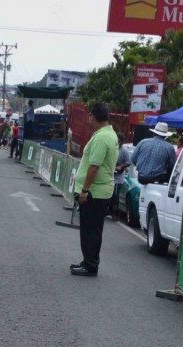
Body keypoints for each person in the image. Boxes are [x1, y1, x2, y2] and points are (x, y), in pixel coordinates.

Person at [70, 103, 118, 277]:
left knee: (91, 230)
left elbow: (94, 167)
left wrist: (84, 190)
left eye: (90, 115)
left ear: (94, 116)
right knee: (89, 229)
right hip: (99, 191)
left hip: (95, 192)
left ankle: (90, 265)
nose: (88, 118)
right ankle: (87, 261)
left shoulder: (101, 138)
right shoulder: (107, 134)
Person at [111, 134, 132, 219]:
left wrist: (121, 166)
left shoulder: (124, 151)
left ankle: (115, 213)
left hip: (118, 177)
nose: (117, 141)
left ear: (122, 141)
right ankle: (107, 210)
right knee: (109, 194)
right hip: (110, 175)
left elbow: (129, 162)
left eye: (119, 140)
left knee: (116, 195)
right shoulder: (112, 148)